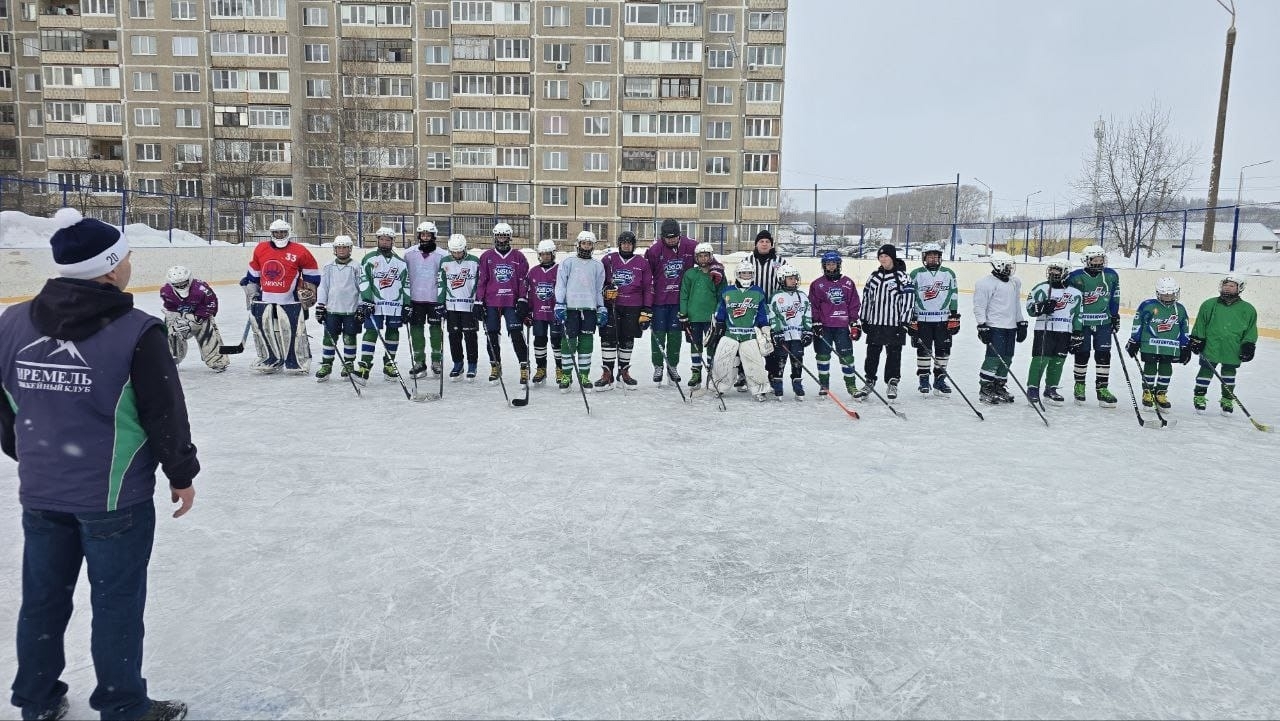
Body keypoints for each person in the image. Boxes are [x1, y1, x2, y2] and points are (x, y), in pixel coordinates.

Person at [0, 207, 194, 721]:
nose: (130, 261)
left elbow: (5, 405)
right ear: (109, 268)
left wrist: (30, 455)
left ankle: (37, 701)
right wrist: (182, 473)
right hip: (114, 501)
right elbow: (164, 414)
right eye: (125, 254)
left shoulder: (11, 322)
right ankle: (123, 705)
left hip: (42, 492)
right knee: (116, 605)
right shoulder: (137, 332)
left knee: (42, 599)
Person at [241, 218, 320, 374]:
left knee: (294, 333)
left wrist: (310, 292)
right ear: (271, 233)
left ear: (288, 232)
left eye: (282, 232)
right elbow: (254, 274)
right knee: (265, 332)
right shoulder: (260, 249)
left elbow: (312, 273)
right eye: (276, 232)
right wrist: (252, 290)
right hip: (266, 300)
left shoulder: (300, 250)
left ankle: (297, 361)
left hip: (291, 301)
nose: (279, 235)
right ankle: (271, 358)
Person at [1189, 274, 1258, 414]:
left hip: (1233, 347)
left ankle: (1227, 399)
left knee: (1229, 374)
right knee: (1205, 371)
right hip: (1211, 345)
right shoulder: (1209, 304)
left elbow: (1250, 330)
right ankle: (1199, 396)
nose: (1227, 288)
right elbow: (1201, 323)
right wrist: (1197, 339)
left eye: (1232, 286)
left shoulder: (1248, 309)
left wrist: (1248, 345)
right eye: (1225, 285)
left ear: (1239, 288)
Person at [855, 244, 913, 400]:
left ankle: (892, 382)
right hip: (876, 323)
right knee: (872, 354)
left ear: (892, 257)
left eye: (886, 256)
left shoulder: (903, 277)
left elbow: (908, 300)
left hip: (895, 323)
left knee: (894, 355)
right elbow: (867, 299)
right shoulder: (874, 276)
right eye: (880, 257)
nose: (883, 259)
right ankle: (869, 381)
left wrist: (905, 321)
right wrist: (865, 319)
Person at [1065, 245, 1121, 407]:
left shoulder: (1111, 275)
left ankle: (1102, 388)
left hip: (1103, 322)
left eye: (1100, 259)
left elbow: (1115, 297)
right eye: (1094, 259)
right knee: (1082, 354)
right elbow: (1070, 300)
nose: (1098, 262)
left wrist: (1115, 315)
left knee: (1104, 354)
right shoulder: (1075, 277)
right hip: (1082, 323)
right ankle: (1080, 386)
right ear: (1086, 260)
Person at [475, 222, 531, 384]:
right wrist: (479, 301)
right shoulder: (486, 256)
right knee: (491, 335)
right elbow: (482, 280)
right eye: (499, 236)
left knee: (516, 334)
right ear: (495, 236)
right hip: (492, 301)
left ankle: (524, 367)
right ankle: (495, 365)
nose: (501, 239)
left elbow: (523, 280)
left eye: (504, 236)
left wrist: (522, 299)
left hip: (511, 302)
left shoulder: (518, 256)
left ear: (509, 237)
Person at [709, 260, 772, 401]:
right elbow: (721, 310)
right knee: (722, 360)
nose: (746, 276)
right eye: (743, 273)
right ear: (738, 274)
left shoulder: (758, 292)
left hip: (749, 335)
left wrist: (765, 327)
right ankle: (719, 387)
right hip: (730, 333)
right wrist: (719, 323)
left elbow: (762, 312)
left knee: (755, 362)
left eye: (749, 273)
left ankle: (759, 389)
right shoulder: (728, 291)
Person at [644, 218, 697, 384]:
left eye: (674, 237)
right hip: (659, 301)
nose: (672, 240)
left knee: (675, 336)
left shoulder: (691, 246)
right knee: (658, 335)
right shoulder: (654, 251)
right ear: (662, 237)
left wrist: (715, 271)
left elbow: (707, 259)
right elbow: (646, 276)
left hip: (679, 301)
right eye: (668, 238)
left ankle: (672, 366)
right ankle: (658, 366)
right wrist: (646, 303)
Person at [597, 230, 652, 390]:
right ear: (619, 244)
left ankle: (623, 372)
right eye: (624, 242)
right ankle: (607, 374)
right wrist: (605, 290)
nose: (626, 245)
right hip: (612, 305)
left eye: (629, 243)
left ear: (633, 245)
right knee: (608, 338)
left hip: (634, 306)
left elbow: (648, 287)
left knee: (627, 339)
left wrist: (647, 308)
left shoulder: (642, 262)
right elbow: (598, 281)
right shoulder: (608, 260)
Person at [355, 227, 410, 382]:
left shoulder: (400, 262)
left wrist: (407, 304)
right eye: (382, 239)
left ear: (393, 241)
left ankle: (389, 365)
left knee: (393, 332)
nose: (384, 242)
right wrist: (366, 300)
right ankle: (364, 366)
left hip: (395, 304)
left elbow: (406, 284)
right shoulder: (370, 258)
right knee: (371, 332)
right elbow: (364, 280)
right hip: (375, 304)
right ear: (377, 240)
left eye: (388, 239)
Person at [1127, 277, 1190, 410]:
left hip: (1170, 346)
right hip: (1149, 344)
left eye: (1171, 294)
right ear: (1158, 293)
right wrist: (1134, 340)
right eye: (1164, 294)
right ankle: (1147, 392)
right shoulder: (1148, 305)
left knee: (1166, 369)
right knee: (1150, 367)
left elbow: (1184, 328)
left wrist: (1185, 346)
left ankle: (1161, 393)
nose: (1168, 297)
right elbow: (1138, 323)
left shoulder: (1180, 309)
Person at [554, 231, 607, 391]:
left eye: (589, 244)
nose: (586, 246)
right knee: (568, 343)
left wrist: (601, 307)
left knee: (586, 343)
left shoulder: (598, 265)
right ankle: (567, 375)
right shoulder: (568, 262)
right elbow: (561, 284)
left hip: (589, 309)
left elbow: (599, 289)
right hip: (571, 308)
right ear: (578, 244)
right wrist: (560, 303)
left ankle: (584, 374)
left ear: (593, 246)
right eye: (584, 243)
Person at [1025, 259, 1082, 405]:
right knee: (1040, 359)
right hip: (1045, 329)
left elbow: (1078, 315)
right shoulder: (1041, 288)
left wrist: (1077, 332)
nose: (1053, 273)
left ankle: (1051, 388)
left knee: (1058, 361)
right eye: (1051, 270)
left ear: (1066, 272)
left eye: (1057, 270)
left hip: (1064, 331)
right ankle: (1032, 388)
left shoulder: (1075, 293)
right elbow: (1030, 308)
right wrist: (1042, 307)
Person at [906, 242, 960, 396]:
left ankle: (940, 380)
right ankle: (924, 380)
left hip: (943, 319)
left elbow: (954, 294)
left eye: (936, 256)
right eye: (930, 256)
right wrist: (912, 316)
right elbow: (910, 296)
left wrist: (954, 315)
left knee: (943, 351)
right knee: (923, 350)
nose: (933, 259)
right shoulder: (916, 274)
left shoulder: (949, 273)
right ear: (924, 258)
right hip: (922, 320)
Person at [973, 253, 1027, 404]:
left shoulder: (1015, 282)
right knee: (993, 358)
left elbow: (1016, 304)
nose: (1010, 269)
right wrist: (982, 325)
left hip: (1011, 327)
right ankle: (986, 388)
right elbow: (979, 306)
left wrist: (1021, 322)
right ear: (998, 265)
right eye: (1007, 266)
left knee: (1007, 358)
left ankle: (999, 386)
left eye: (1011, 266)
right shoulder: (985, 283)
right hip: (995, 326)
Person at [808, 250, 862, 398]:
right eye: (828, 264)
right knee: (822, 356)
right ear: (824, 266)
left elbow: (854, 304)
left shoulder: (848, 283)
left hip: (842, 327)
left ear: (838, 265)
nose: (831, 266)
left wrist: (854, 323)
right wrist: (816, 322)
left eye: (833, 263)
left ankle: (851, 386)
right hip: (824, 327)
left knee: (847, 357)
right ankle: (824, 385)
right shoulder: (817, 284)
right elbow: (813, 305)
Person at [159, 265, 228, 372]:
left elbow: (212, 304)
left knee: (207, 332)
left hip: (200, 316)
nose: (181, 287)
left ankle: (217, 360)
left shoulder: (201, 289)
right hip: (181, 317)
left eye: (183, 284)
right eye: (177, 285)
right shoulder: (166, 292)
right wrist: (175, 319)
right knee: (170, 330)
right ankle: (172, 356)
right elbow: (171, 308)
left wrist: (198, 319)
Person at [404, 221, 449, 378]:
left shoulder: (443, 255)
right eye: (422, 235)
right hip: (415, 299)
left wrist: (444, 300)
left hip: (434, 299)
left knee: (435, 330)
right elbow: (404, 277)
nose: (425, 237)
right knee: (416, 330)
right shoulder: (409, 253)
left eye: (428, 235)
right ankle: (419, 362)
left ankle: (436, 362)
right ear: (418, 236)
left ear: (433, 236)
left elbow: (446, 278)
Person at [314, 235, 361, 382]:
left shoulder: (356, 266)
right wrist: (321, 305)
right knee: (329, 338)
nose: (341, 250)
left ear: (350, 249)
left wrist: (360, 306)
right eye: (338, 247)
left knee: (349, 337)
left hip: (350, 310)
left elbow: (362, 288)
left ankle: (348, 363)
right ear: (335, 249)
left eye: (344, 247)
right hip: (332, 310)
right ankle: (327, 364)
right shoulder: (329, 266)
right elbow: (323, 287)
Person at [678, 243, 725, 390]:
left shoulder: (717, 274)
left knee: (711, 345)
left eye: (706, 255)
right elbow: (684, 295)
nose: (703, 258)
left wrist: (718, 314)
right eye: (700, 256)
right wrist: (684, 313)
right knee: (695, 344)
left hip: (711, 318)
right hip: (693, 316)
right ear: (696, 257)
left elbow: (722, 296)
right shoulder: (690, 274)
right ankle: (696, 372)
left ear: (711, 256)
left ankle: (711, 372)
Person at [438, 234, 481, 380]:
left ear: (465, 248)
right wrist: (440, 303)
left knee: (470, 337)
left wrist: (478, 301)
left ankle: (472, 364)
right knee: (454, 337)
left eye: (459, 251)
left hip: (469, 306)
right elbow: (441, 284)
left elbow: (479, 283)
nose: (457, 254)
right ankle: (458, 363)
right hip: (451, 306)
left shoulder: (474, 261)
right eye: (454, 252)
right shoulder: (444, 262)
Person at [767, 265, 813, 399]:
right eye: (790, 278)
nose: (794, 281)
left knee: (797, 359)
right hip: (783, 336)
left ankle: (797, 383)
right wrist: (776, 332)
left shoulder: (802, 296)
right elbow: (772, 315)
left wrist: (808, 331)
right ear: (782, 279)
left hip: (798, 336)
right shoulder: (776, 297)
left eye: (795, 278)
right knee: (780, 360)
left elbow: (807, 315)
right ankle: (777, 383)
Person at [522, 240, 563, 386]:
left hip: (555, 313)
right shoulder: (533, 271)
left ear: (553, 254)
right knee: (539, 341)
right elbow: (528, 293)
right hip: (538, 313)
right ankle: (541, 369)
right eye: (543, 254)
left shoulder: (560, 270)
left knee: (557, 341)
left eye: (548, 254)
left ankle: (560, 369)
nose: (545, 257)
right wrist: (527, 312)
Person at [749, 229, 785, 388]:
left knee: (771, 342)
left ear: (771, 245)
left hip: (772, 310)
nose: (764, 244)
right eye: (761, 241)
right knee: (750, 342)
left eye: (767, 242)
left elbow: (787, 282)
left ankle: (771, 373)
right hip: (751, 308)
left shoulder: (780, 262)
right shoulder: (748, 260)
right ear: (756, 244)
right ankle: (746, 373)